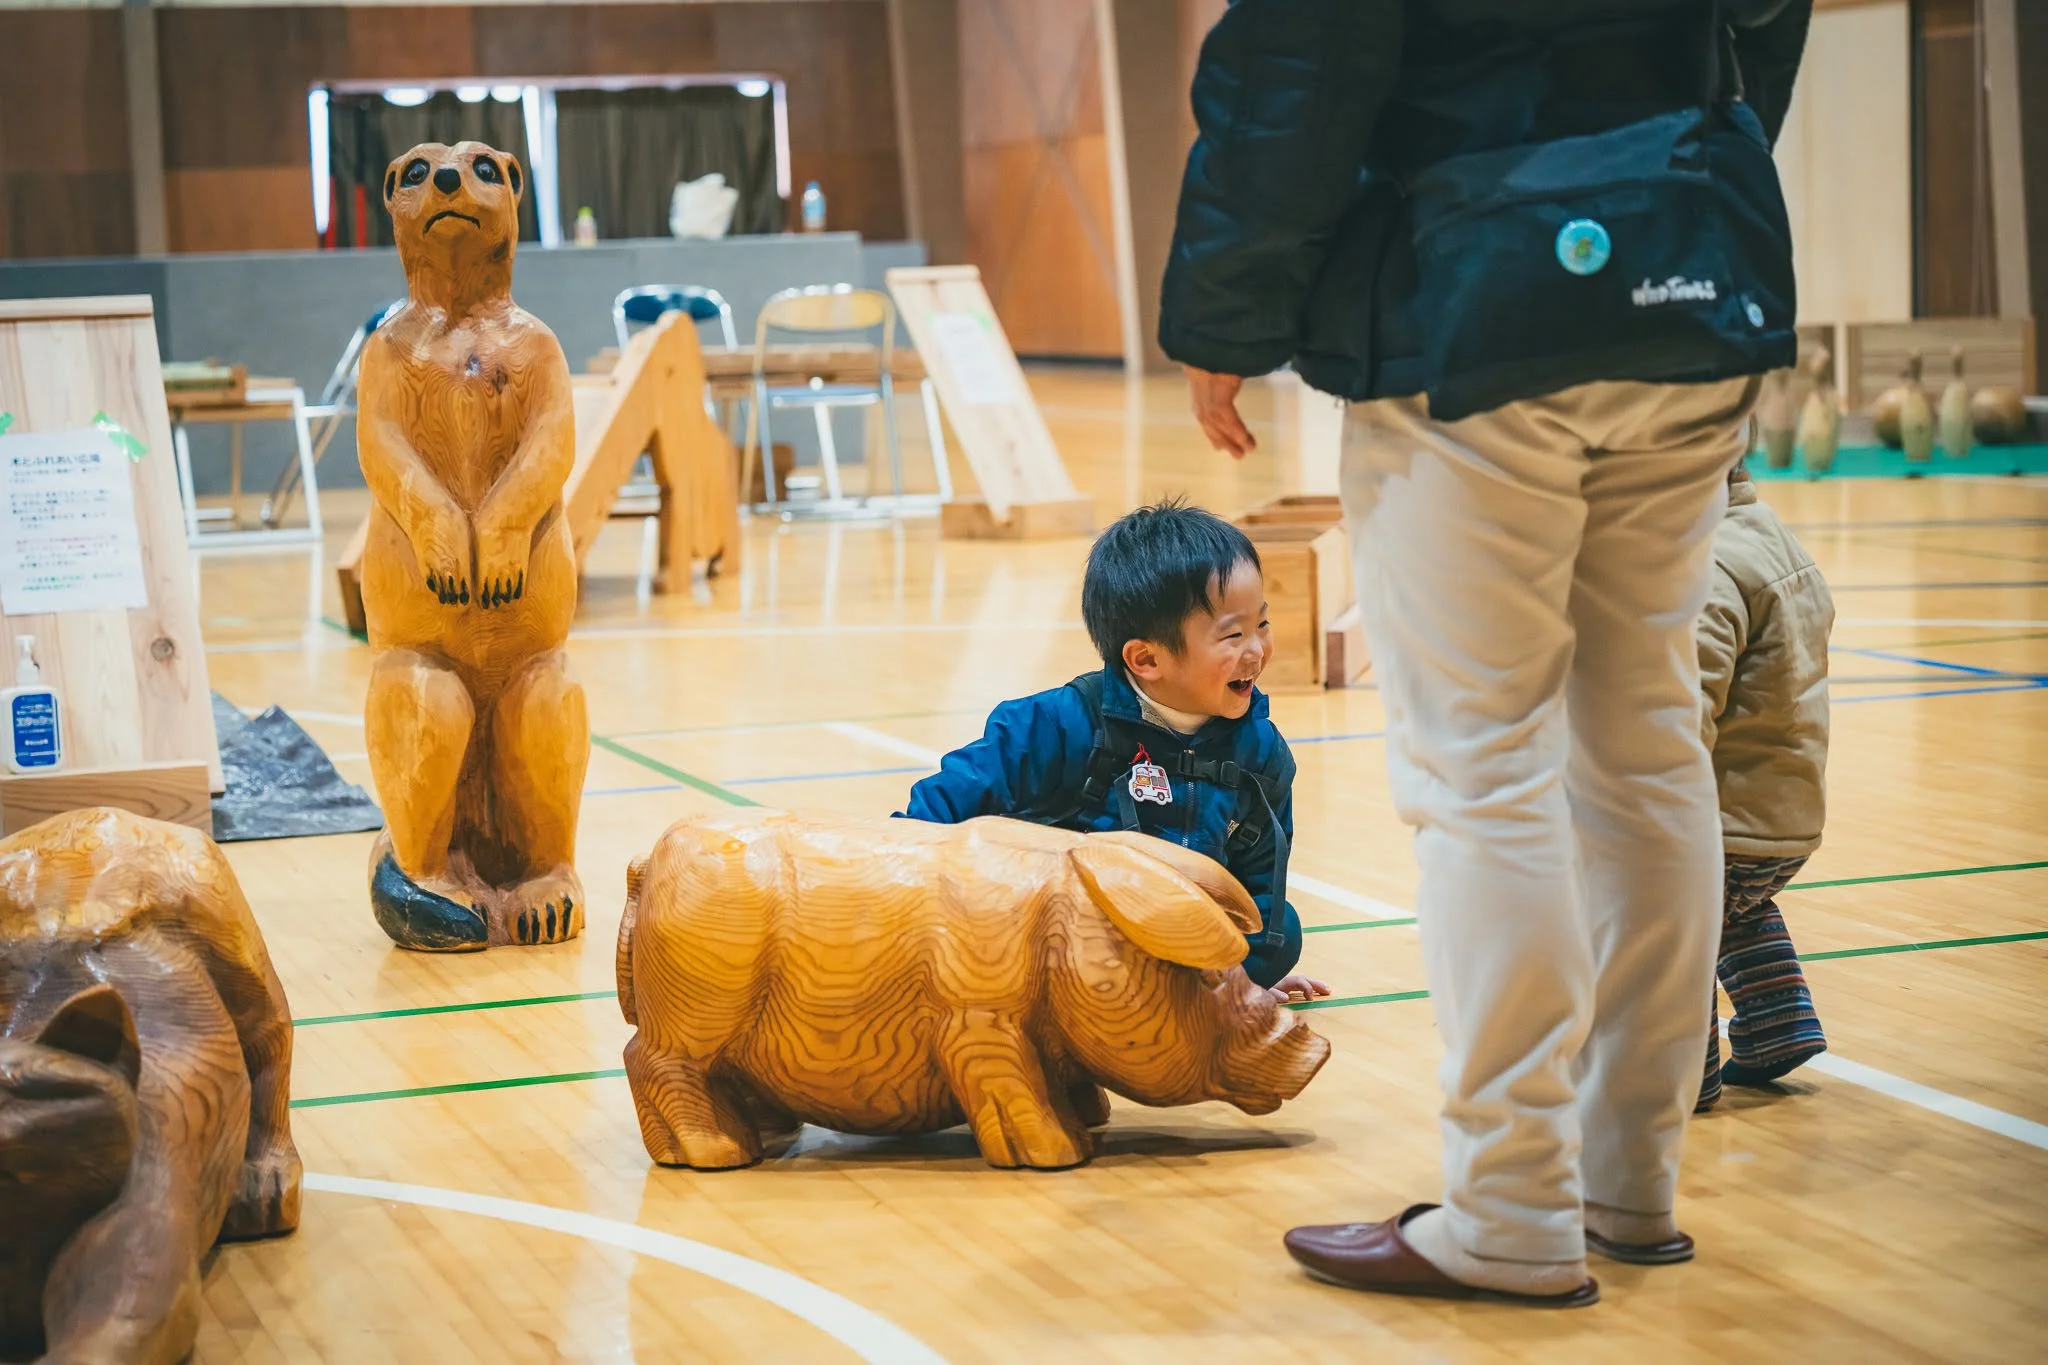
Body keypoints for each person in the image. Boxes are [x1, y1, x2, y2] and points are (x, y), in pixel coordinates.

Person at [1159, 0, 1814, 1308]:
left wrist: (1227, 316)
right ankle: (1630, 1181)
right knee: (1644, 746)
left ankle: (1513, 1207)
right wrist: (1660, 176)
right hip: (1687, 263)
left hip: (1477, 284)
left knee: (1484, 772)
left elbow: (1306, 50)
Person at [898, 499, 1330, 1005]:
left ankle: (1175, 996)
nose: (1256, 651)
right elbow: (932, 814)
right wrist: (899, 892)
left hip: (1174, 938)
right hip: (1060, 936)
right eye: (1232, 635)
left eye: (1262, 625)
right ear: (1146, 658)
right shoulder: (1052, 724)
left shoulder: (1262, 753)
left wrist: (1249, 977)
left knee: (1282, 931)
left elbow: (1258, 879)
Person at [1696, 462, 1832, 1111]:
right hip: (1786, 812)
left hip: (1725, 816)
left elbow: (1681, 706)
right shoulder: (1770, 533)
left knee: (1672, 924)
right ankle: (1779, 1028)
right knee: (1738, 909)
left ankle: (1675, 1076)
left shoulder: (1709, 564)